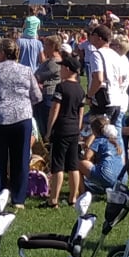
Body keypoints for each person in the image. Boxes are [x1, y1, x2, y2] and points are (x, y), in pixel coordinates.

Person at [0, 47, 39, 206]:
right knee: (20, 158)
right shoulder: (26, 70)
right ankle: (18, 199)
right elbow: (37, 96)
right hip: (22, 118)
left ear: (3, 53)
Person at [41, 52, 87, 208]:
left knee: (58, 165)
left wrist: (49, 129)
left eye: (62, 68)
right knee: (73, 165)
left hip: (61, 128)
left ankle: (53, 199)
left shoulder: (61, 87)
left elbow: (55, 109)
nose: (60, 70)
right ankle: (73, 198)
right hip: (74, 129)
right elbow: (81, 113)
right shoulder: (80, 89)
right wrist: (78, 128)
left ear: (67, 69)